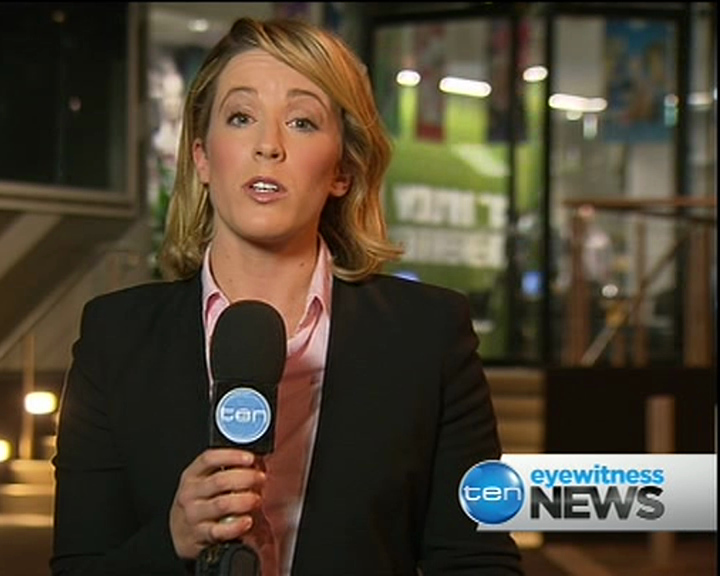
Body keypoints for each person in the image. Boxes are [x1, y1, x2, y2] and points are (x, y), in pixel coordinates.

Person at [51, 16, 523, 576]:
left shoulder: (428, 334)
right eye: (241, 117)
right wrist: (172, 540)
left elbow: (477, 561)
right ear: (202, 157)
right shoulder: (115, 335)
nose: (267, 146)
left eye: (301, 122)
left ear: (343, 169)